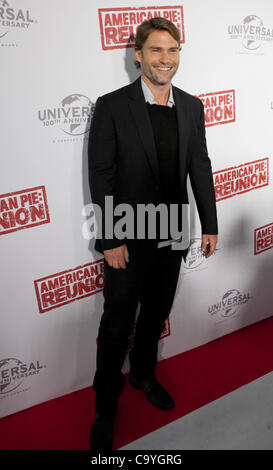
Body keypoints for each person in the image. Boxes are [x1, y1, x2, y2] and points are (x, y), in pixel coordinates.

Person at [87, 17, 218, 451]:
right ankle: (105, 407)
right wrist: (110, 238)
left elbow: (199, 165)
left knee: (155, 316)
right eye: (157, 50)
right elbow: (102, 175)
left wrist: (209, 223)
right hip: (127, 234)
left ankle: (143, 374)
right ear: (138, 55)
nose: (166, 59)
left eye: (173, 50)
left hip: (173, 235)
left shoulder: (192, 106)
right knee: (115, 325)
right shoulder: (112, 105)